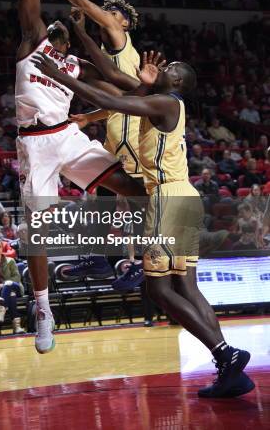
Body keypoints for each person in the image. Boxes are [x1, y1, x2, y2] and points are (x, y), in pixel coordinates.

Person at [32, 27, 254, 398]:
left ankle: (225, 353)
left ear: (178, 80)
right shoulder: (163, 102)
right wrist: (144, 84)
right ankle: (228, 364)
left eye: (170, 68)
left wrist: (58, 76)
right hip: (184, 196)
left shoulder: (167, 102)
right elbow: (125, 95)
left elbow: (117, 104)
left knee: (158, 288)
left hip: (166, 199)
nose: (162, 67)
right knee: (185, 285)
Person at [16, 0, 151, 354]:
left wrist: (152, 86)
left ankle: (135, 255)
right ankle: (42, 309)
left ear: (70, 41)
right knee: (36, 232)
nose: (55, 28)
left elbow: (119, 85)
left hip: (67, 136)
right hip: (35, 144)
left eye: (63, 30)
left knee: (134, 187)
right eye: (52, 26)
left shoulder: (77, 63)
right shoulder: (30, 44)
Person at [38, 0, 145, 286]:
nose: (109, 16)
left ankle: (143, 259)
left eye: (114, 14)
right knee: (104, 195)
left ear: (124, 23)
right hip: (116, 128)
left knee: (135, 194)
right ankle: (102, 259)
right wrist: (90, 117)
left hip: (130, 131)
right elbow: (117, 101)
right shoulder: (110, 52)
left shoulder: (118, 35)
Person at [0, 239, 25, 334]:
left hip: (15, 286)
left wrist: (4, 283)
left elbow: (17, 277)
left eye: (0, 247)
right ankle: (17, 326)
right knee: (11, 295)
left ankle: (1, 312)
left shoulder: (10, 261)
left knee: (8, 284)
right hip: (0, 291)